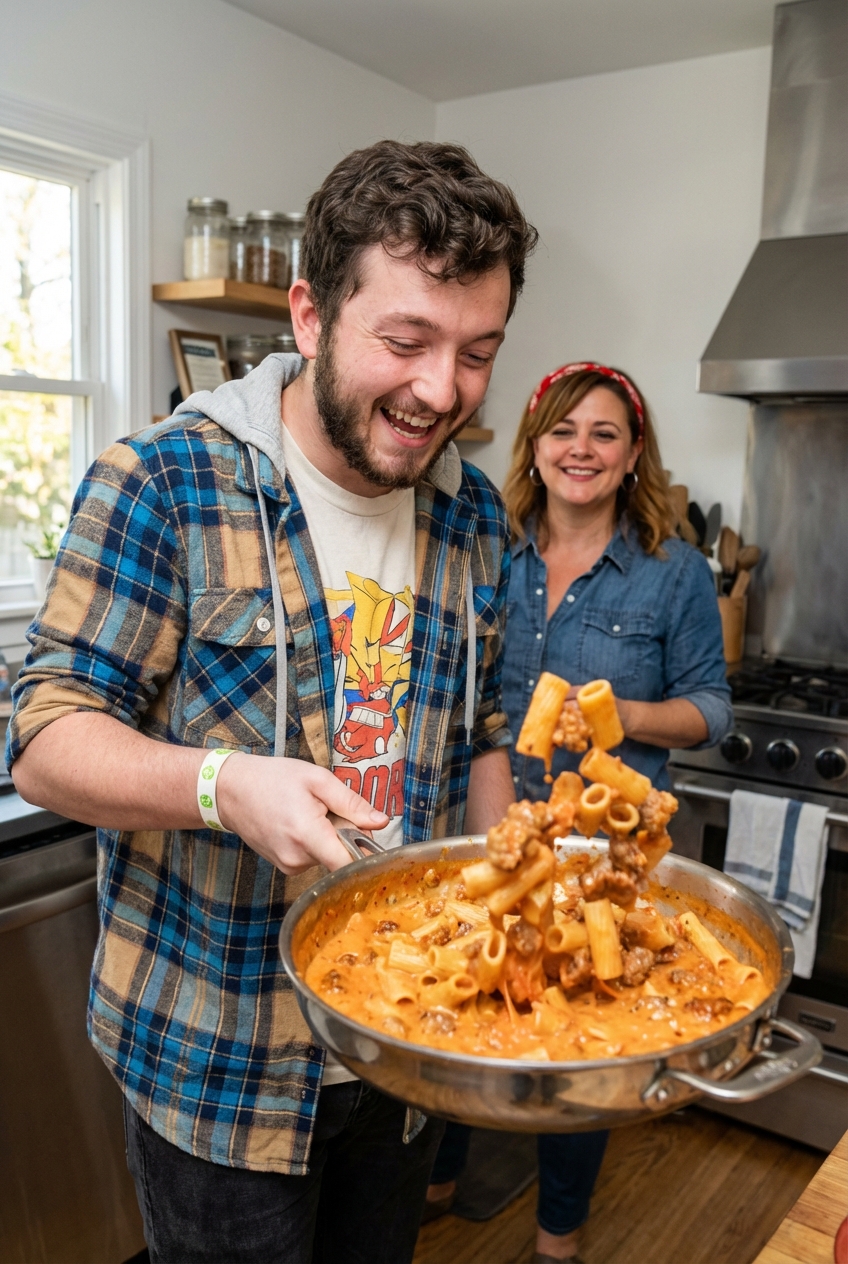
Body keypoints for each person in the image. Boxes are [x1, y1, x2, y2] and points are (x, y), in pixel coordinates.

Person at [7, 140, 537, 1264]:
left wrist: (507, 910)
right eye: (405, 341)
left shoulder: (473, 513)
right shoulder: (164, 481)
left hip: (403, 1046)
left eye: (476, 352)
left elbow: (481, 731)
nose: (441, 390)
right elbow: (46, 738)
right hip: (218, 1056)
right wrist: (221, 783)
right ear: (307, 314)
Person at [424, 362, 731, 1263]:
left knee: (579, 1042)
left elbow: (712, 709)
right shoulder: (490, 546)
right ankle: (439, 1176)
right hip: (486, 823)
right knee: (471, 1010)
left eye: (604, 433)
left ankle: (559, 1234)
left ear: (634, 453)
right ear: (536, 444)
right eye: (563, 430)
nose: (581, 450)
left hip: (598, 842)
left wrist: (624, 714)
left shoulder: (673, 573)